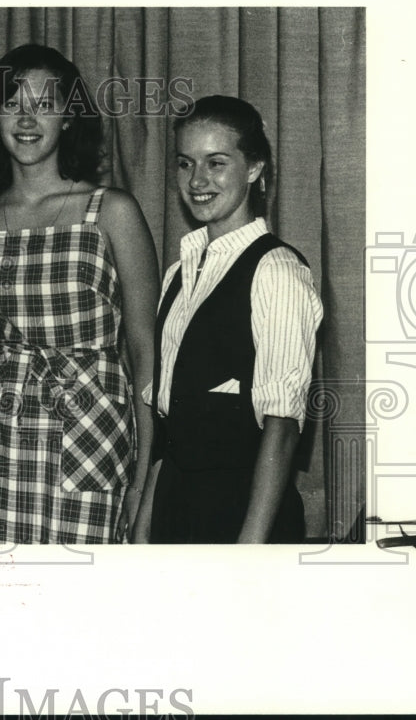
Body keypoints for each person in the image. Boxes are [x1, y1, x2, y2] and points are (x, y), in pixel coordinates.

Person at [0, 44, 159, 544]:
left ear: (69, 118)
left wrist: (146, 474)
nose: (26, 117)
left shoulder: (112, 212)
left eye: (45, 103)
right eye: (13, 102)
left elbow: (148, 355)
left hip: (92, 432)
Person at [133, 95, 323, 544]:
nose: (197, 180)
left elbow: (281, 431)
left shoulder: (277, 271)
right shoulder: (177, 275)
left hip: (243, 515)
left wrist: (247, 554)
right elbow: (167, 422)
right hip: (175, 508)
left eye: (216, 163)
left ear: (255, 168)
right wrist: (143, 527)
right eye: (185, 163)